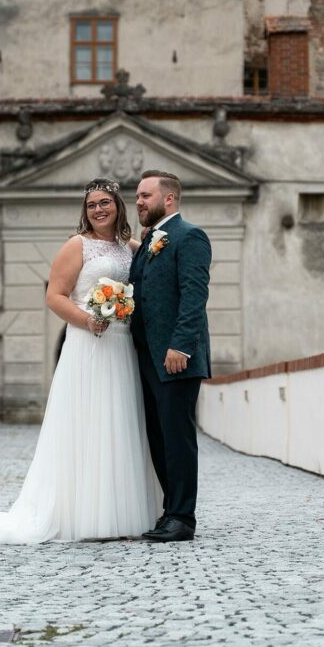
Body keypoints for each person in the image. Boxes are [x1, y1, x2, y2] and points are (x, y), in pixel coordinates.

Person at [0, 180, 161, 544]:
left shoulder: (130, 247)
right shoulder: (77, 246)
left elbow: (149, 276)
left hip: (121, 346)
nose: (99, 210)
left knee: (119, 421)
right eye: (91, 205)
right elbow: (54, 296)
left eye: (105, 202)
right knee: (87, 423)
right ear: (84, 210)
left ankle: (120, 512)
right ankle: (83, 514)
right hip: (88, 343)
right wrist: (88, 319)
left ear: (118, 206)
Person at [130, 170, 212, 543]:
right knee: (159, 437)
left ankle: (182, 517)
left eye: (146, 195)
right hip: (148, 357)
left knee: (177, 438)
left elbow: (194, 296)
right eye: (138, 196)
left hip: (176, 357)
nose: (139, 201)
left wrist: (181, 346)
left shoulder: (189, 236)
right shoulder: (151, 241)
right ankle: (170, 511)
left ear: (169, 199)